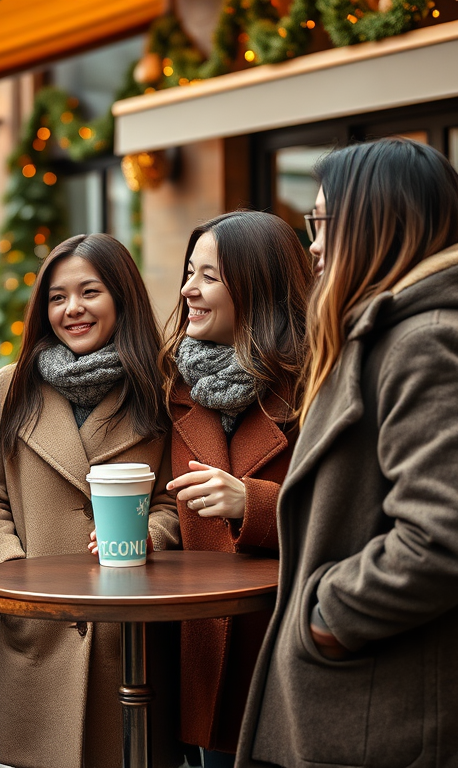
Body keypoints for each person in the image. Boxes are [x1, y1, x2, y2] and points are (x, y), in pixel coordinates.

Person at [235, 137, 458, 767]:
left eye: (322, 222)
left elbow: (446, 539)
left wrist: (328, 616)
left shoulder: (436, 341)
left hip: (404, 722)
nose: (313, 244)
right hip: (386, 711)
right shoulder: (404, 332)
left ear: (375, 222)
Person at [0, 233, 180, 768]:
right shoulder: (10, 386)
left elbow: (173, 499)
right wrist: (8, 565)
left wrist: (149, 535)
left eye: (89, 292)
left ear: (121, 296)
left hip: (128, 631)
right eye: (57, 297)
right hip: (40, 625)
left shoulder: (159, 387)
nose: (73, 310)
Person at [158, 211, 311, 768]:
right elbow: (161, 499)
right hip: (199, 651)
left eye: (209, 277)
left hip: (286, 647)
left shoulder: (318, 386)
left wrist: (256, 503)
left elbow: (356, 514)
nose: (187, 290)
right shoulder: (172, 383)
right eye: (189, 271)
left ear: (258, 287)